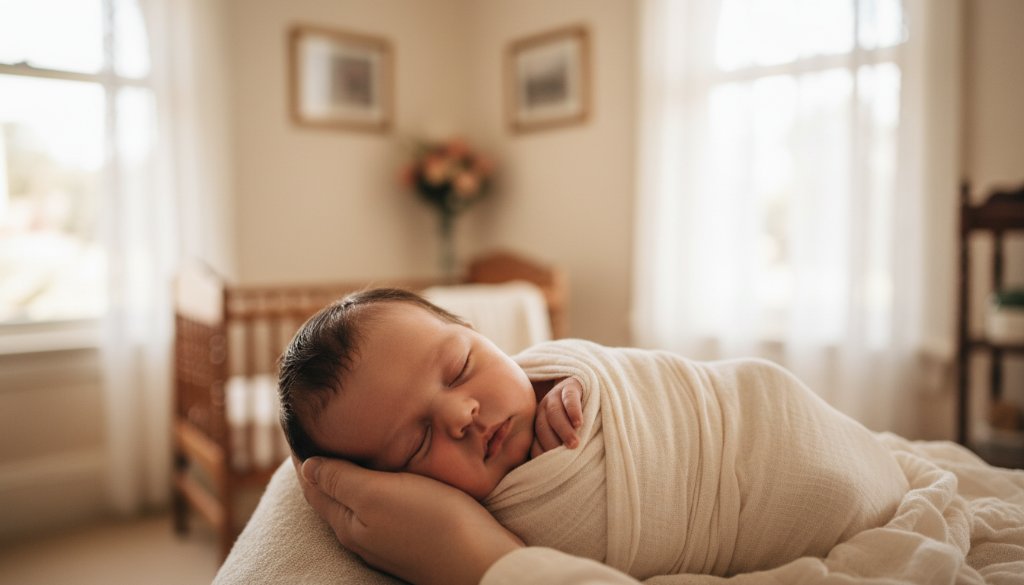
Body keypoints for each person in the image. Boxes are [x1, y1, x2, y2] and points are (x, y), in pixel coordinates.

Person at [279, 288, 910, 584]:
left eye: (461, 366)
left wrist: (578, 385)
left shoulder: (550, 375)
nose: (462, 413)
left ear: (481, 336)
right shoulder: (491, 519)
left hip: (762, 417)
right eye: (416, 444)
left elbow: (620, 375)